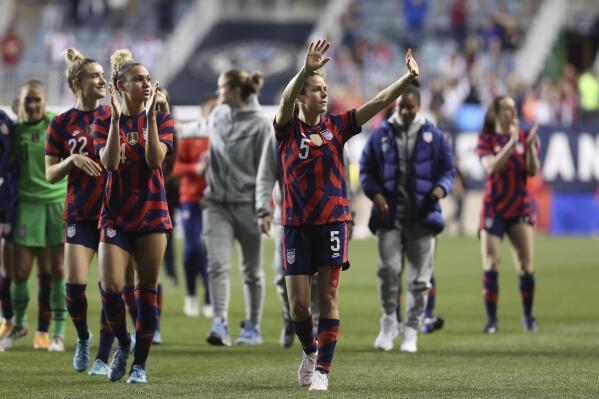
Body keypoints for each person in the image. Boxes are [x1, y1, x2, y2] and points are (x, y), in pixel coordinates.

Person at [274, 40, 418, 391]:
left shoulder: (338, 126)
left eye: (326, 89)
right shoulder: (287, 128)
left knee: (328, 300)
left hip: (332, 222)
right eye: (317, 89)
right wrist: (306, 69)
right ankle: (310, 351)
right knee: (297, 307)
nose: (324, 94)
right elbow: (283, 101)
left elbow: (378, 102)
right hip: (295, 225)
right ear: (302, 96)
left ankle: (322, 370)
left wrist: (407, 79)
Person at [92, 49, 174, 383]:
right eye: (137, 80)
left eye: (146, 79)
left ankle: (139, 364)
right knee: (110, 287)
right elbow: (109, 163)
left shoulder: (163, 118)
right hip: (115, 215)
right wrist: (115, 121)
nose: (145, 84)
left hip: (152, 214)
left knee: (146, 289)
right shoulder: (101, 120)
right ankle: (123, 343)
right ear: (120, 86)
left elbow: (155, 161)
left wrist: (151, 120)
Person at [360, 82, 455, 353]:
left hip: (423, 217)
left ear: (419, 106)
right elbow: (366, 170)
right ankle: (389, 321)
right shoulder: (380, 135)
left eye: (410, 107)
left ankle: (411, 329)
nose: (405, 112)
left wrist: (441, 188)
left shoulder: (434, 137)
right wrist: (375, 194)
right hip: (389, 217)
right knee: (388, 270)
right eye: (401, 107)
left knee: (419, 279)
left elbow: (448, 170)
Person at [44, 48, 111, 371]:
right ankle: (83, 338)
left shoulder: (113, 117)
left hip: (114, 213)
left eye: (102, 74)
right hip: (80, 213)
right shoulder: (61, 124)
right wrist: (72, 160)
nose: (102, 80)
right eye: (95, 75)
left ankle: (103, 354)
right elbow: (49, 173)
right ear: (76, 82)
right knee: (74, 286)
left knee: (112, 289)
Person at [203, 69, 270, 347]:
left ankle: (252, 326)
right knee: (217, 265)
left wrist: (263, 208)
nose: (217, 94)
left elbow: (267, 170)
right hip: (216, 203)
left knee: (251, 270)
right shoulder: (217, 115)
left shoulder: (261, 125)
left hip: (248, 206)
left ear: (234, 91)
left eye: (221, 88)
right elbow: (197, 130)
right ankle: (219, 323)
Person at [1, 80, 68, 352]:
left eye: (37, 100)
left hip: (56, 205)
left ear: (44, 101)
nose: (32, 105)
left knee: (58, 271)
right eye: (27, 100)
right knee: (19, 273)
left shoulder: (57, 125)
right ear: (19, 102)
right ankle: (18, 323)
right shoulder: (14, 132)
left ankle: (58, 333)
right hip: (27, 206)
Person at [477, 95, 540, 334]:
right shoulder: (487, 139)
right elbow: (490, 166)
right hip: (493, 206)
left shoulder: (525, 137)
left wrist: (531, 148)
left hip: (519, 206)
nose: (511, 113)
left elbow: (533, 171)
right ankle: (491, 321)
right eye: (506, 109)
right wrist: (511, 143)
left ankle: (528, 316)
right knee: (492, 262)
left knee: (525, 265)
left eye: (513, 109)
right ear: (495, 113)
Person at [172, 97, 215, 318]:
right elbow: (175, 167)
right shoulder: (191, 135)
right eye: (211, 109)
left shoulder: (225, 137)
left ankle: (209, 298)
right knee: (192, 249)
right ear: (203, 112)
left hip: (216, 201)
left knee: (212, 253)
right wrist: (194, 168)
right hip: (191, 198)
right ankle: (190, 294)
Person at [0, 109, 16, 347]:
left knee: (4, 271)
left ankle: (8, 319)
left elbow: (13, 167)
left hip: (3, 202)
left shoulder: (6, 120)